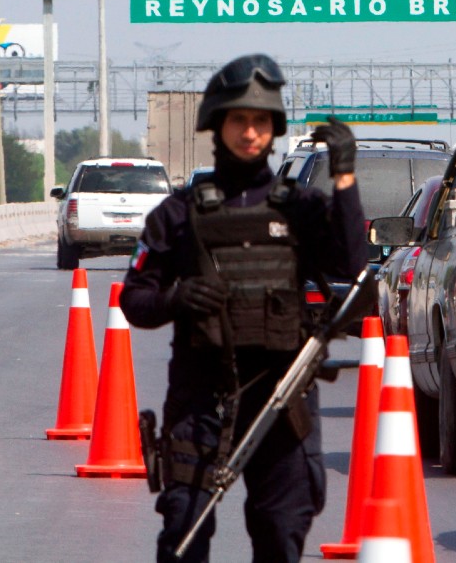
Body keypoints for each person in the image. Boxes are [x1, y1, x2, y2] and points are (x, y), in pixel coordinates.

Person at [121, 54, 368, 563]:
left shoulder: (299, 207)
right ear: (218, 124)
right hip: (200, 396)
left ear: (273, 129)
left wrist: (344, 179)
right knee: (183, 535)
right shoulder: (178, 214)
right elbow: (135, 301)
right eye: (239, 120)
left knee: (280, 532)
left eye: (260, 121)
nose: (249, 132)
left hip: (281, 396)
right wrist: (176, 297)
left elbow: (350, 260)